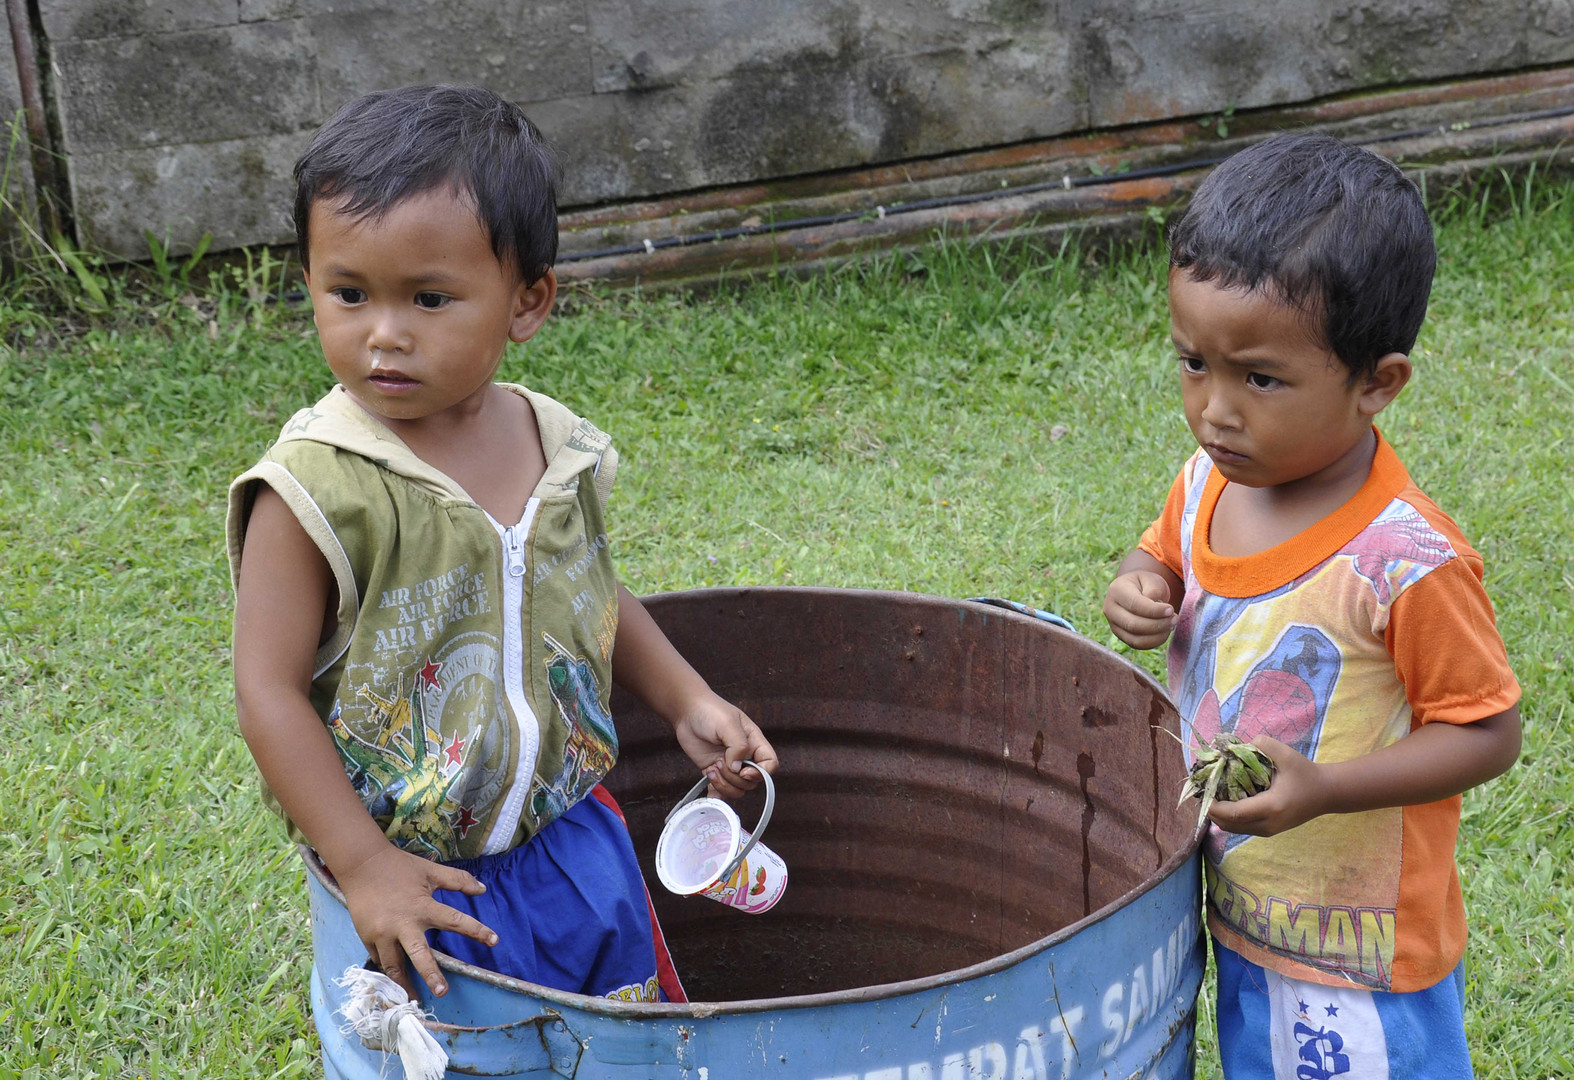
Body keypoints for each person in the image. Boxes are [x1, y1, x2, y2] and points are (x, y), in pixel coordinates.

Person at [226, 84, 778, 1005]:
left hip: (576, 845)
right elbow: (266, 690)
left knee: (629, 1047)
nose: (383, 335)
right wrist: (363, 865)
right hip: (426, 886)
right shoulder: (316, 490)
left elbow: (586, 588)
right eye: (348, 293)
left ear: (528, 303)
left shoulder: (556, 448)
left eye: (430, 298)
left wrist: (686, 698)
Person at [1102, 133, 1521, 1078]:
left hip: (1353, 959)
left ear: (1378, 382)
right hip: (1244, 914)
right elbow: (1163, 556)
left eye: (1259, 378)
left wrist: (1324, 789)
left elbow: (1488, 732)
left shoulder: (1406, 563)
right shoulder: (1208, 484)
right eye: (1192, 363)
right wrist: (1142, 585)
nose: (1215, 410)